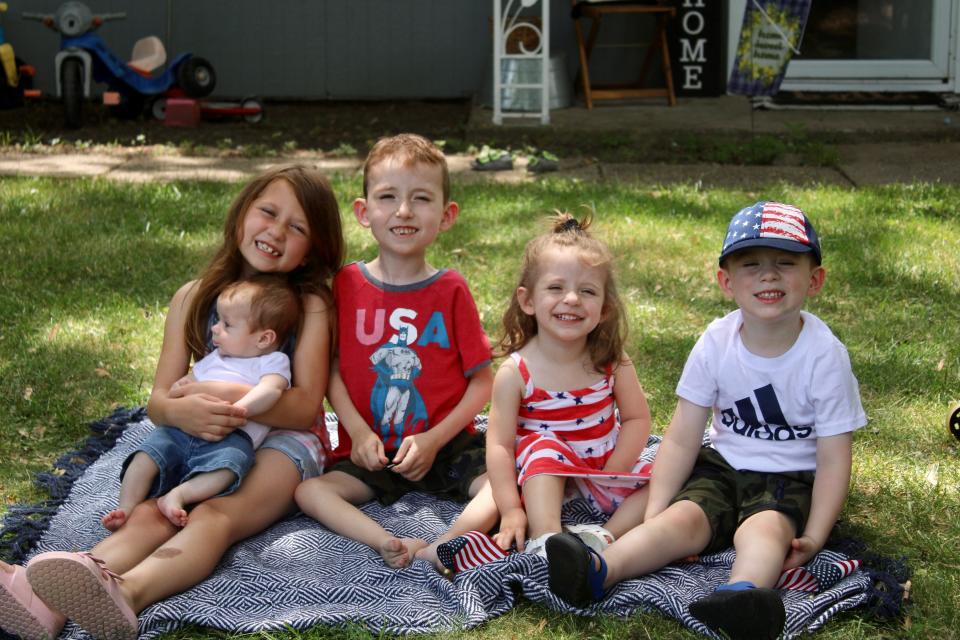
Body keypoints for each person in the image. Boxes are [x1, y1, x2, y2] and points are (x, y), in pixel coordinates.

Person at [0, 164, 343, 640]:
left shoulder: (309, 305)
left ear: (315, 248)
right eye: (268, 211)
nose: (276, 231)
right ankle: (50, 602)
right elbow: (159, 401)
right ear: (243, 211)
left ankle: (130, 593)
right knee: (152, 512)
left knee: (212, 515)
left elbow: (306, 407)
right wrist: (181, 411)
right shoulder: (193, 299)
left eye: (298, 226)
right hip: (205, 436)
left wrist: (225, 398)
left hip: (286, 444)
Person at [546, 201, 867, 640]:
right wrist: (657, 508)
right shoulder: (717, 341)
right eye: (751, 264)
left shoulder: (824, 356)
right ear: (726, 282)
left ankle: (743, 596)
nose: (768, 275)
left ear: (815, 280)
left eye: (785, 263)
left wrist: (813, 536)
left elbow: (834, 457)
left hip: (789, 478)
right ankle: (598, 570)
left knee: (764, 530)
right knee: (680, 521)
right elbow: (681, 437)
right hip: (722, 465)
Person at [294, 133, 494, 569]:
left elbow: (483, 380)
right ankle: (386, 542)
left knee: (506, 485)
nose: (403, 211)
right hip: (373, 451)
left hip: (445, 447)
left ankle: (445, 543)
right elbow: (333, 369)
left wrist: (435, 439)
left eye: (421, 198)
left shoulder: (451, 289)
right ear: (364, 212)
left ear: (446, 215)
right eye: (388, 197)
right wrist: (359, 433)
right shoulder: (346, 285)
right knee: (310, 491)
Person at [417, 212, 654, 574]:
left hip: (602, 470)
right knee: (512, 479)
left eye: (587, 291)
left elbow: (638, 418)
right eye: (556, 288)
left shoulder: (611, 360)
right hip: (537, 480)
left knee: (665, 476)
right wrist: (512, 508)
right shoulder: (516, 372)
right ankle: (538, 541)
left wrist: (617, 469)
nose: (572, 299)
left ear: (604, 309)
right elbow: (499, 446)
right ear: (528, 301)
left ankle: (602, 538)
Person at [103, 275, 302, 531]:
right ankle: (126, 507)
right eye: (218, 320)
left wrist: (239, 409)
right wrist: (178, 392)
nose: (215, 329)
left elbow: (270, 390)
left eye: (227, 324)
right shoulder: (215, 358)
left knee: (229, 469)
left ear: (263, 339)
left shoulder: (272, 361)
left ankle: (180, 495)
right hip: (184, 429)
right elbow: (187, 380)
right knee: (145, 456)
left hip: (232, 435)